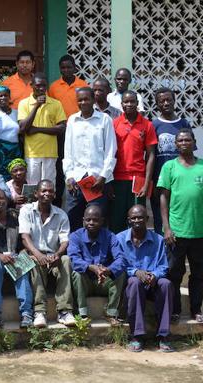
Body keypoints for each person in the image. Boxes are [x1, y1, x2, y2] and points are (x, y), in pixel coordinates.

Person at [158, 129, 203, 323]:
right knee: (174, 274)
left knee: (199, 274)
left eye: (188, 140)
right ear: (176, 145)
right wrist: (166, 227)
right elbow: (163, 197)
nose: (184, 143)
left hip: (199, 231)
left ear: (194, 142)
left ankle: (196, 310)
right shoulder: (169, 167)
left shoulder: (202, 166)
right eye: (181, 140)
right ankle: (175, 311)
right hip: (176, 232)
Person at [117, 205, 174, 352]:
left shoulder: (158, 240)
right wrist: (136, 272)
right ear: (129, 220)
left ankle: (163, 336)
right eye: (133, 218)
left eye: (140, 217)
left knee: (166, 284)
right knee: (134, 282)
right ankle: (137, 336)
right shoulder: (119, 239)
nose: (137, 220)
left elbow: (163, 266)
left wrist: (155, 275)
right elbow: (119, 265)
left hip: (153, 283)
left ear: (147, 219)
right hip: (132, 286)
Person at [19, 179, 75, 327]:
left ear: (54, 194)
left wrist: (58, 254)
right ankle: (39, 311)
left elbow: (64, 241)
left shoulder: (61, 215)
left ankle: (64, 311)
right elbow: (25, 237)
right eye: (43, 191)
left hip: (53, 256)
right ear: (36, 193)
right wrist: (38, 254)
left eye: (50, 191)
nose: (47, 194)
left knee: (66, 260)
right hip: (35, 253)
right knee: (30, 260)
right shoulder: (26, 210)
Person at [63, 87, 116, 231]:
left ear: (93, 100)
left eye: (86, 99)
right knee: (72, 217)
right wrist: (69, 177)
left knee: (96, 220)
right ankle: (74, 251)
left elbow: (111, 151)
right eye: (80, 100)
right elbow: (68, 152)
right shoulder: (72, 120)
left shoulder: (105, 119)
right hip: (76, 179)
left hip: (97, 180)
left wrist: (104, 176)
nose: (83, 102)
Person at [0, 189, 33, 328]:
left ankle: (26, 313)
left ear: (7, 200)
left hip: (15, 257)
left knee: (23, 262)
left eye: (1, 198)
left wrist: (20, 254)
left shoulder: (16, 218)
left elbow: (24, 241)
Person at [68, 205, 126, 324]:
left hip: (104, 281)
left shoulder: (110, 236)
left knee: (121, 273)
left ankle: (111, 314)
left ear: (102, 221)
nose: (91, 222)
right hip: (86, 283)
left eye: (95, 220)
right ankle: (82, 314)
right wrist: (91, 267)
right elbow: (73, 258)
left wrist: (108, 270)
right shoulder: (75, 236)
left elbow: (120, 259)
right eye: (88, 220)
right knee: (77, 274)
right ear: (83, 220)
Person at [110, 90, 157, 233]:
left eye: (132, 101)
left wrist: (147, 182)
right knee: (116, 221)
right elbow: (109, 154)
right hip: (117, 179)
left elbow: (151, 155)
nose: (129, 104)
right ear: (121, 104)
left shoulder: (147, 125)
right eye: (126, 101)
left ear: (137, 104)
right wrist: (109, 183)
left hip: (138, 180)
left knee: (137, 221)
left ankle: (137, 254)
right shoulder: (114, 124)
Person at [151, 88, 192, 233]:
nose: (166, 103)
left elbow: (190, 154)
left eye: (169, 99)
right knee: (159, 220)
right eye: (162, 101)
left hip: (181, 181)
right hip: (160, 182)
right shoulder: (154, 125)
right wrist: (151, 182)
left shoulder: (184, 124)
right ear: (157, 104)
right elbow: (150, 155)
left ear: (175, 101)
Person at [18, 72, 67, 186]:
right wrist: (36, 106)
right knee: (32, 188)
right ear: (32, 85)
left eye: (44, 86)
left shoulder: (56, 104)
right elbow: (23, 128)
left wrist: (37, 129)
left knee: (49, 189)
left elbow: (62, 128)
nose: (41, 88)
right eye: (38, 85)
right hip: (32, 154)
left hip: (50, 153)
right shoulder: (24, 103)